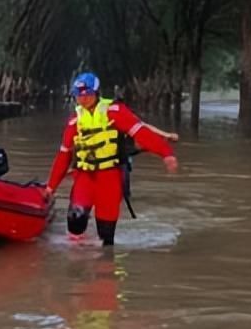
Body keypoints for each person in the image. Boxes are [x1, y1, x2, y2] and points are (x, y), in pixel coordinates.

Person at [44, 72, 179, 246]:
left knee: (106, 237)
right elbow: (63, 156)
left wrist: (166, 153)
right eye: (78, 95)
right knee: (75, 220)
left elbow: (141, 133)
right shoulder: (74, 122)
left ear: (96, 92)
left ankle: (105, 266)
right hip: (85, 177)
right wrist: (50, 187)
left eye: (86, 94)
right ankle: (77, 254)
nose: (82, 99)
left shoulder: (115, 112)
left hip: (110, 177)